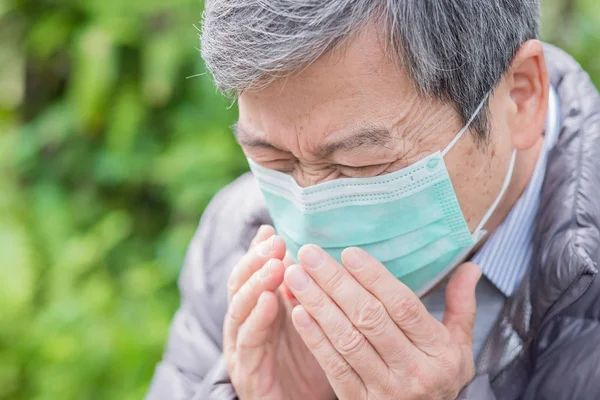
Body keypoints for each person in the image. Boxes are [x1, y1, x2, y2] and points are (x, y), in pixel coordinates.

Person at [146, 1, 600, 399]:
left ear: (520, 96)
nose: (310, 217)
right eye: (274, 160)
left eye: (359, 164)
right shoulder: (236, 239)